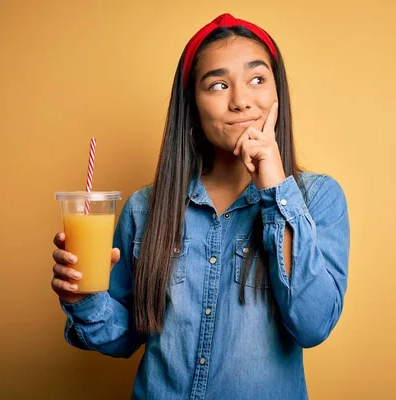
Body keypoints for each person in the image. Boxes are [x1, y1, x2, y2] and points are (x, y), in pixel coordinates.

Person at [51, 13, 350, 400]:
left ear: (278, 95)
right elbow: (124, 337)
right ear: (192, 105)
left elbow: (312, 325)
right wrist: (84, 298)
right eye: (218, 85)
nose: (241, 101)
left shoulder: (318, 199)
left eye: (257, 79)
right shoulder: (145, 209)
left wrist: (277, 190)